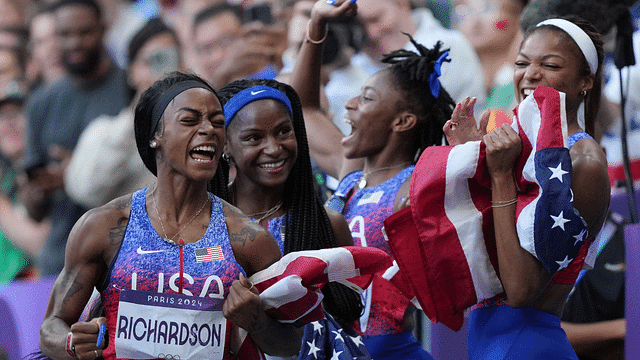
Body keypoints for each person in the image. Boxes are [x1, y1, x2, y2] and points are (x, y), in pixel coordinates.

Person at [39, 71, 303, 360]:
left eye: (217, 122)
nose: (209, 130)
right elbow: (50, 327)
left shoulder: (248, 238)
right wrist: (72, 343)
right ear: (156, 136)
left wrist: (256, 320)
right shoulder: (104, 225)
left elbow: (290, 344)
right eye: (190, 120)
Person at [289, 1, 456, 358]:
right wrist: (317, 24)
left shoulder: (415, 186)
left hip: (390, 351)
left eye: (366, 98)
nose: (349, 104)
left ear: (402, 121)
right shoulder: (349, 177)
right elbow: (303, 107)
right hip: (336, 348)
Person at [442, 15, 610, 359]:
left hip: (528, 345)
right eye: (521, 62)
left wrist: (501, 177)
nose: (530, 74)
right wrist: (469, 162)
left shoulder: (584, 161)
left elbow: (521, 290)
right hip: (488, 343)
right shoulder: (520, 150)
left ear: (585, 81)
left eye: (549, 65)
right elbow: (472, 256)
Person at [216, 78, 367, 358]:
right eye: (254, 138)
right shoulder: (205, 223)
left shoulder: (328, 225)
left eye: (284, 132)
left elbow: (344, 329)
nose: (274, 148)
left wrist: (261, 321)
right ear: (225, 146)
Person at [21, 0, 130, 276]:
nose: (74, 43)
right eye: (65, 35)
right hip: (60, 260)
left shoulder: (129, 89)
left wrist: (76, 173)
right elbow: (35, 211)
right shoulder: (40, 103)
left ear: (103, 30)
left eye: (84, 32)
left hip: (123, 256)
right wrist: (36, 190)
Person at [63, 17, 180, 208]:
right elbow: (86, 191)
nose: (163, 71)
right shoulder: (103, 131)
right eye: (152, 61)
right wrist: (137, 114)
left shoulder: (206, 126)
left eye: (170, 58)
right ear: (131, 72)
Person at [192, 2, 287, 90]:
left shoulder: (277, 77)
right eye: (206, 49)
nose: (217, 56)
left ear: (249, 34)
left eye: (224, 42)